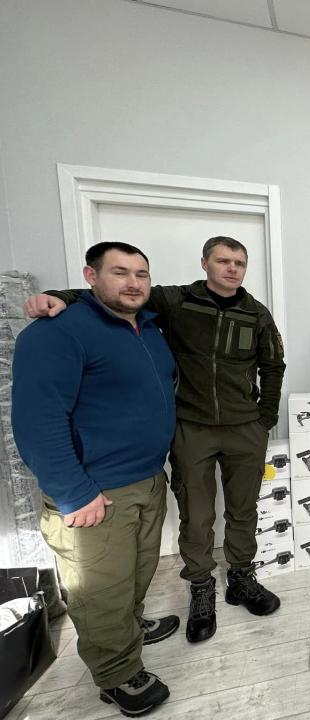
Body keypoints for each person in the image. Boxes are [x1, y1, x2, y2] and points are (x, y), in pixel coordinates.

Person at [24, 236, 286, 642]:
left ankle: (241, 579)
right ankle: (201, 589)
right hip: (192, 429)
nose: (232, 268)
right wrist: (57, 296)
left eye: (239, 262)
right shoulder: (174, 300)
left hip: (244, 429)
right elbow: (111, 297)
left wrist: (264, 418)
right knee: (197, 516)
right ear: (205, 263)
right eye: (223, 260)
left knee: (243, 509)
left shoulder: (257, 313)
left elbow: (273, 365)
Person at [12, 242, 178, 716]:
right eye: (120, 272)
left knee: (137, 572)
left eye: (141, 274)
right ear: (90, 276)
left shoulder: (148, 327)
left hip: (146, 479)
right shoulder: (56, 333)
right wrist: (72, 492)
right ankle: (118, 674)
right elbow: (37, 421)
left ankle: (127, 629)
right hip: (94, 491)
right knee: (99, 590)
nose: (133, 283)